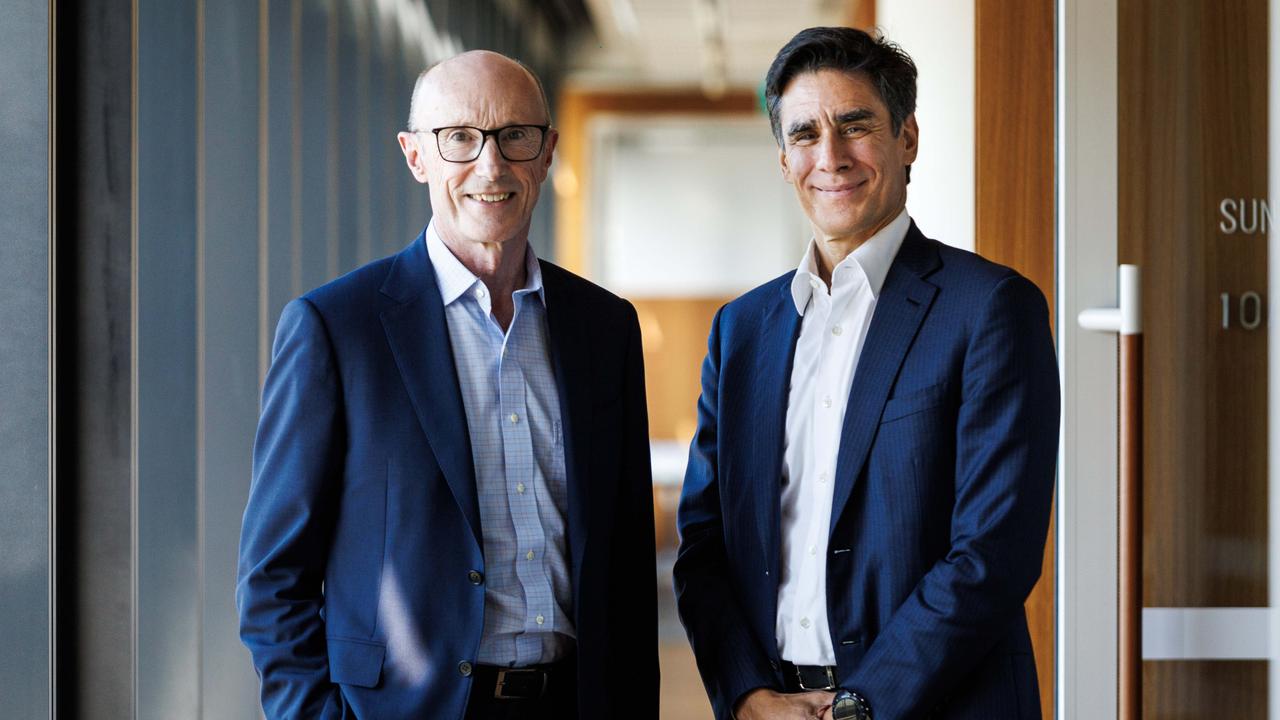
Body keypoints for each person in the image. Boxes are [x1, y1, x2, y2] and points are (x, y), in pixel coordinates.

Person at [237, 50, 658, 720]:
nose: (490, 167)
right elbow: (273, 577)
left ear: (547, 153)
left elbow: (627, 559)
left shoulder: (606, 328)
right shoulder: (336, 328)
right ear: (415, 157)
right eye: (459, 138)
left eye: (514, 136)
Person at [673, 27, 1059, 720]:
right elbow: (704, 543)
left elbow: (993, 553)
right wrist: (747, 695)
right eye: (804, 135)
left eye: (855, 126)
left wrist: (861, 705)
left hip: (945, 705)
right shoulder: (742, 330)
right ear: (783, 160)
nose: (831, 156)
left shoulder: (990, 308)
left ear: (907, 139)